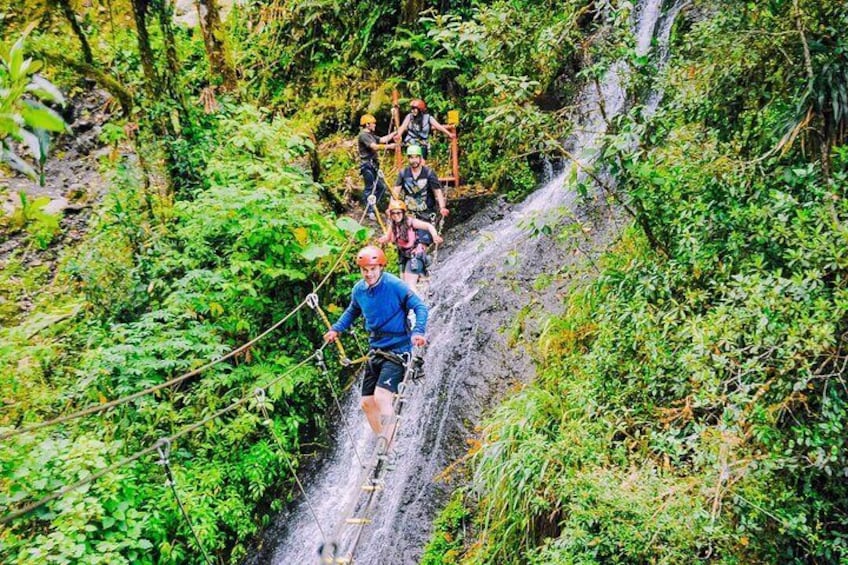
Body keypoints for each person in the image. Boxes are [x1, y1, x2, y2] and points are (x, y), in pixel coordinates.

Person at [324, 246, 428, 447]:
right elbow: (352, 311)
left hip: (398, 350)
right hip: (376, 349)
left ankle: (389, 441)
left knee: (382, 397)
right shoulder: (359, 290)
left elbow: (420, 306)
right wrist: (336, 329)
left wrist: (418, 331)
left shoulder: (395, 285)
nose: (369, 273)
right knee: (366, 403)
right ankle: (383, 438)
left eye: (373, 268)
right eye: (365, 269)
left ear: (380, 267)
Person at [378, 199, 443, 294]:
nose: (396, 216)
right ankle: (416, 298)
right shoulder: (393, 224)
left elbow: (428, 226)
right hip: (403, 255)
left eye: (398, 213)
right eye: (393, 213)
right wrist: (381, 240)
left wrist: (435, 236)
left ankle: (418, 306)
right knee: (404, 284)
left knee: (410, 285)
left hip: (415, 254)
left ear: (403, 213)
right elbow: (388, 237)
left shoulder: (411, 222)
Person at [392, 144, 449, 225]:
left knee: (424, 235)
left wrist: (442, 207)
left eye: (416, 157)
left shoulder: (429, 173)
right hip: (409, 212)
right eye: (411, 157)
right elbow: (395, 192)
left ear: (420, 158)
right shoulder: (403, 173)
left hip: (427, 213)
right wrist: (391, 208)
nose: (414, 160)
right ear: (408, 159)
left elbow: (438, 191)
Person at [358, 114, 397, 220]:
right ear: (367, 124)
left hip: (374, 165)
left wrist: (395, 132)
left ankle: (372, 205)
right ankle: (369, 210)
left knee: (381, 187)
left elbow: (383, 139)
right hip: (367, 165)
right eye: (373, 123)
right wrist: (389, 147)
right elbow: (374, 146)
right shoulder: (363, 135)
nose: (375, 125)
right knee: (369, 187)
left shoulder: (371, 135)